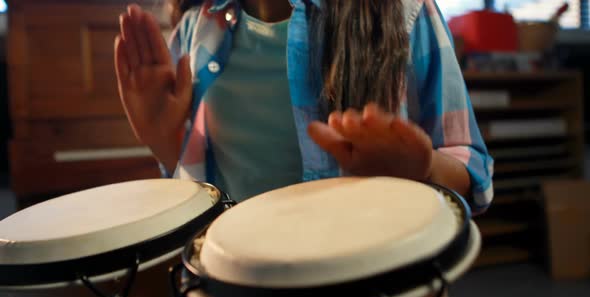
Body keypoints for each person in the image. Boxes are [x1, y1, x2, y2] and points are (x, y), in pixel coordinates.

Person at [115, 0, 494, 213]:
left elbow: (471, 169)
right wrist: (162, 140)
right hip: (236, 293)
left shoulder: (404, 11)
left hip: (367, 289)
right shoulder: (194, 30)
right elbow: (197, 187)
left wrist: (422, 168)